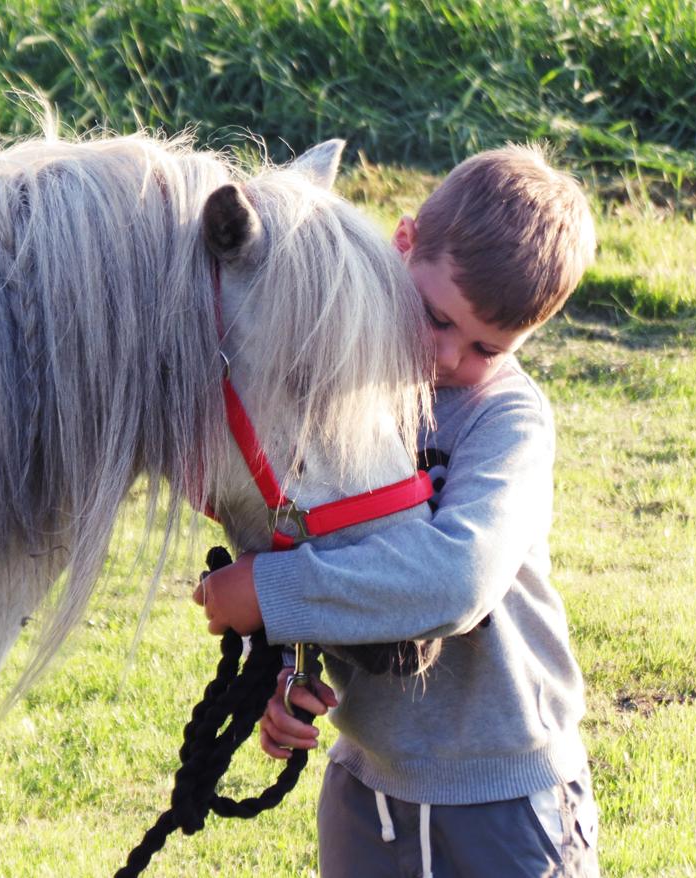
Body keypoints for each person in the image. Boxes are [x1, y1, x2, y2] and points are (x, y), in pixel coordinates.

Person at [193, 144, 600, 877]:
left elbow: (459, 579)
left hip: (505, 798)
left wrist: (267, 593)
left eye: (485, 347)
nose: (447, 356)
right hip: (367, 792)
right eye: (437, 317)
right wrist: (283, 668)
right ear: (403, 242)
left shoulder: (507, 418)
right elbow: (314, 529)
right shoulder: (345, 382)